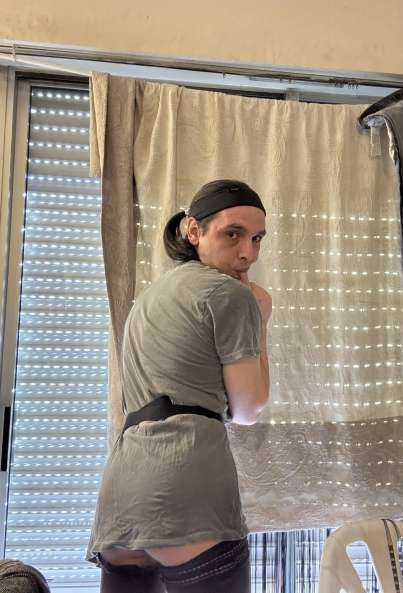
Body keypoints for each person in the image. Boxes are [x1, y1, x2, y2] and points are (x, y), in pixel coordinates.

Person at [86, 179, 272, 592]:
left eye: (257, 238)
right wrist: (261, 320)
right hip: (186, 491)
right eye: (233, 234)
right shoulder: (232, 295)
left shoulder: (150, 298)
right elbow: (248, 409)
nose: (248, 252)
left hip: (121, 499)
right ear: (193, 231)